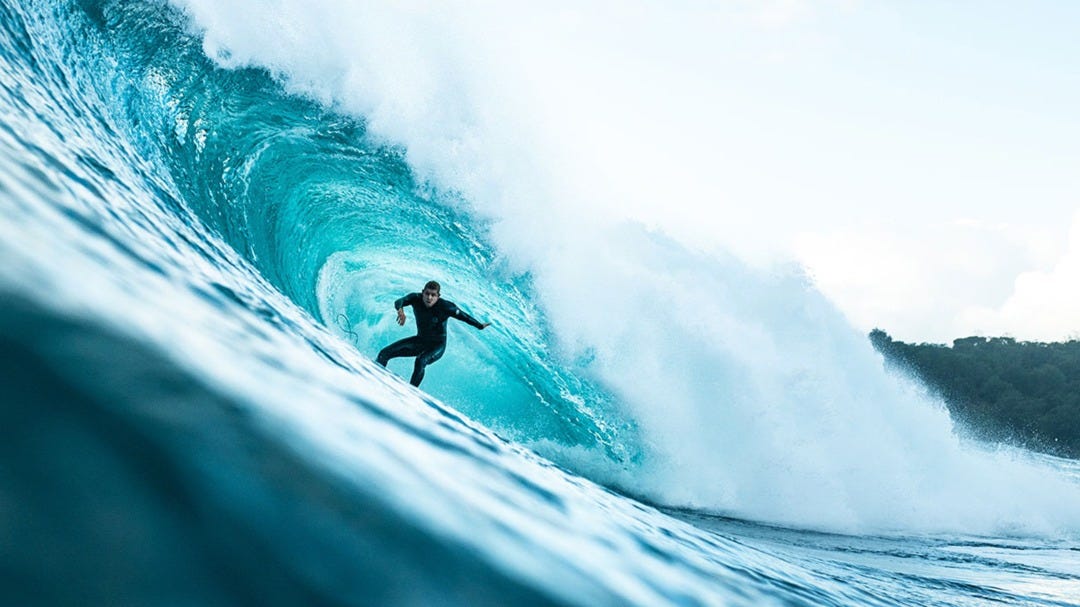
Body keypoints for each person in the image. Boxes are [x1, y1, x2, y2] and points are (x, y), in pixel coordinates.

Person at [375, 280, 490, 387]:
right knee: (384, 353)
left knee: (421, 361)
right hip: (420, 340)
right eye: (427, 293)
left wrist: (479, 325)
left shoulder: (446, 307)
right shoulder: (416, 298)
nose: (429, 298)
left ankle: (410, 392)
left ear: (438, 296)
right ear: (423, 292)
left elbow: (464, 316)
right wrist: (400, 310)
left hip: (437, 345)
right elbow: (400, 301)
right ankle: (374, 381)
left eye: (433, 295)